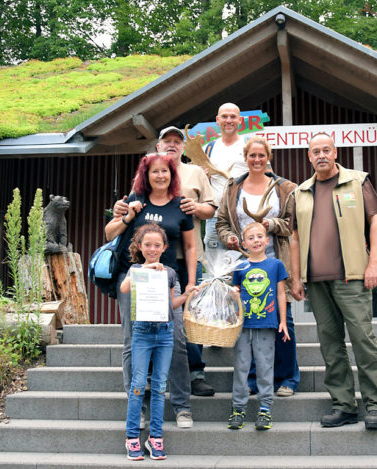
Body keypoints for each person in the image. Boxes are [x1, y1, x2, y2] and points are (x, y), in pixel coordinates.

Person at [289, 133, 377, 430]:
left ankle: (375, 405)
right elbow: (294, 238)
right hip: (317, 282)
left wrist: (374, 264)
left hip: (353, 277)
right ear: (309, 157)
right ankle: (344, 405)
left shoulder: (358, 182)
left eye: (326, 150)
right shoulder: (300, 192)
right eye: (315, 151)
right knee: (330, 345)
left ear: (335, 153)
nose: (321, 155)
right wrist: (296, 277)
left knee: (363, 340)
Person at [116, 126, 218, 398]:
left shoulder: (195, 172)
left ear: (183, 147)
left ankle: (195, 374)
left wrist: (194, 208)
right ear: (159, 146)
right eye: (167, 141)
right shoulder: (146, 172)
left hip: (184, 260)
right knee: (149, 319)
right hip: (149, 265)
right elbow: (129, 212)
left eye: (177, 141)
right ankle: (147, 377)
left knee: (185, 321)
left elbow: (211, 208)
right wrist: (121, 211)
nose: (172, 145)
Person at [106, 152, 197, 429]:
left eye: (165, 171)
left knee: (178, 339)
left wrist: (191, 281)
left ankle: (182, 406)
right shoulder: (133, 200)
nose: (160, 176)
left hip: (167, 278)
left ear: (172, 175)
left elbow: (191, 247)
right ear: (146, 175)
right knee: (133, 341)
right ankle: (140, 406)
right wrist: (128, 215)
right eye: (154, 171)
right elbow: (110, 233)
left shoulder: (181, 205)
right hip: (133, 276)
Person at [216, 135, 300, 397]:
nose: (256, 159)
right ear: (246, 157)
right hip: (243, 266)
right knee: (249, 322)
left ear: (268, 158)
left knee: (282, 319)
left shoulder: (284, 188)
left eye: (261, 155)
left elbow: (293, 223)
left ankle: (287, 378)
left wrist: (272, 225)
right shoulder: (232, 188)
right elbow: (221, 222)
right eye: (252, 155)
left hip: (274, 263)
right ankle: (253, 379)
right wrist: (228, 237)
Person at [121, 223, 197, 461]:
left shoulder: (171, 273)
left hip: (165, 332)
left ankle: (156, 438)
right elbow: (124, 289)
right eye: (147, 245)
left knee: (160, 387)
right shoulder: (135, 269)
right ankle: (132, 437)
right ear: (139, 247)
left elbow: (171, 304)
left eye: (157, 245)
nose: (152, 249)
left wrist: (186, 295)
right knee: (137, 384)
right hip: (142, 332)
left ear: (164, 247)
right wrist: (142, 270)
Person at [228, 222, 290, 431]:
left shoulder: (275, 265)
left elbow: (281, 293)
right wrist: (233, 294)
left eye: (259, 236)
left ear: (267, 240)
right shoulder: (240, 267)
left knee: (265, 366)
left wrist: (283, 321)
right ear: (244, 244)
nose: (256, 240)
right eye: (251, 238)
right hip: (242, 327)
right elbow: (235, 292)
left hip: (266, 324)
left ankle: (265, 408)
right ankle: (238, 408)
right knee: (241, 367)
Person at [203, 102, 248, 258]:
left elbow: (267, 177)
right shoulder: (208, 148)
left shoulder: (250, 144)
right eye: (224, 116)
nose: (228, 120)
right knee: (215, 271)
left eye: (233, 116)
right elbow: (201, 185)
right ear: (217, 120)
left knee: (246, 270)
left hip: (244, 217)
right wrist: (204, 177)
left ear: (240, 120)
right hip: (215, 218)